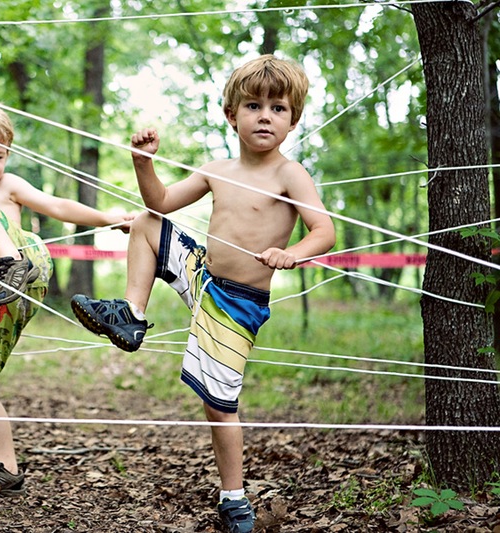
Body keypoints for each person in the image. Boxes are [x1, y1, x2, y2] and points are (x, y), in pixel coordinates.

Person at [71, 54, 335, 532]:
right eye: (253, 105)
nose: (265, 116)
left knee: (219, 405)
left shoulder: (289, 175)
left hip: (237, 303)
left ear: (293, 120)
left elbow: (325, 230)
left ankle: (234, 497)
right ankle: (130, 314)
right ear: (232, 115)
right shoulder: (217, 168)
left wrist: (293, 252)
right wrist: (142, 162)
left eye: (278, 108)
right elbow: (161, 202)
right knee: (147, 223)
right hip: (203, 278)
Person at [0, 101, 133, 500]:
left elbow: (57, 207)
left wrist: (109, 217)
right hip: (2, 290)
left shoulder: (3, 187)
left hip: (26, 265)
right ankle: (7, 468)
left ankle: (9, 261)